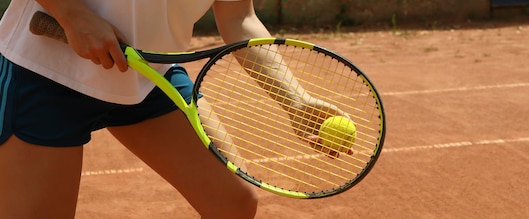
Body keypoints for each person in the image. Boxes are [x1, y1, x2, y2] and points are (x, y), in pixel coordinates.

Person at [0, 0, 330, 218]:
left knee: (233, 202)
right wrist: (72, 15)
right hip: (47, 72)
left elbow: (238, 17)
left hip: (148, 74)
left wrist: (295, 101)